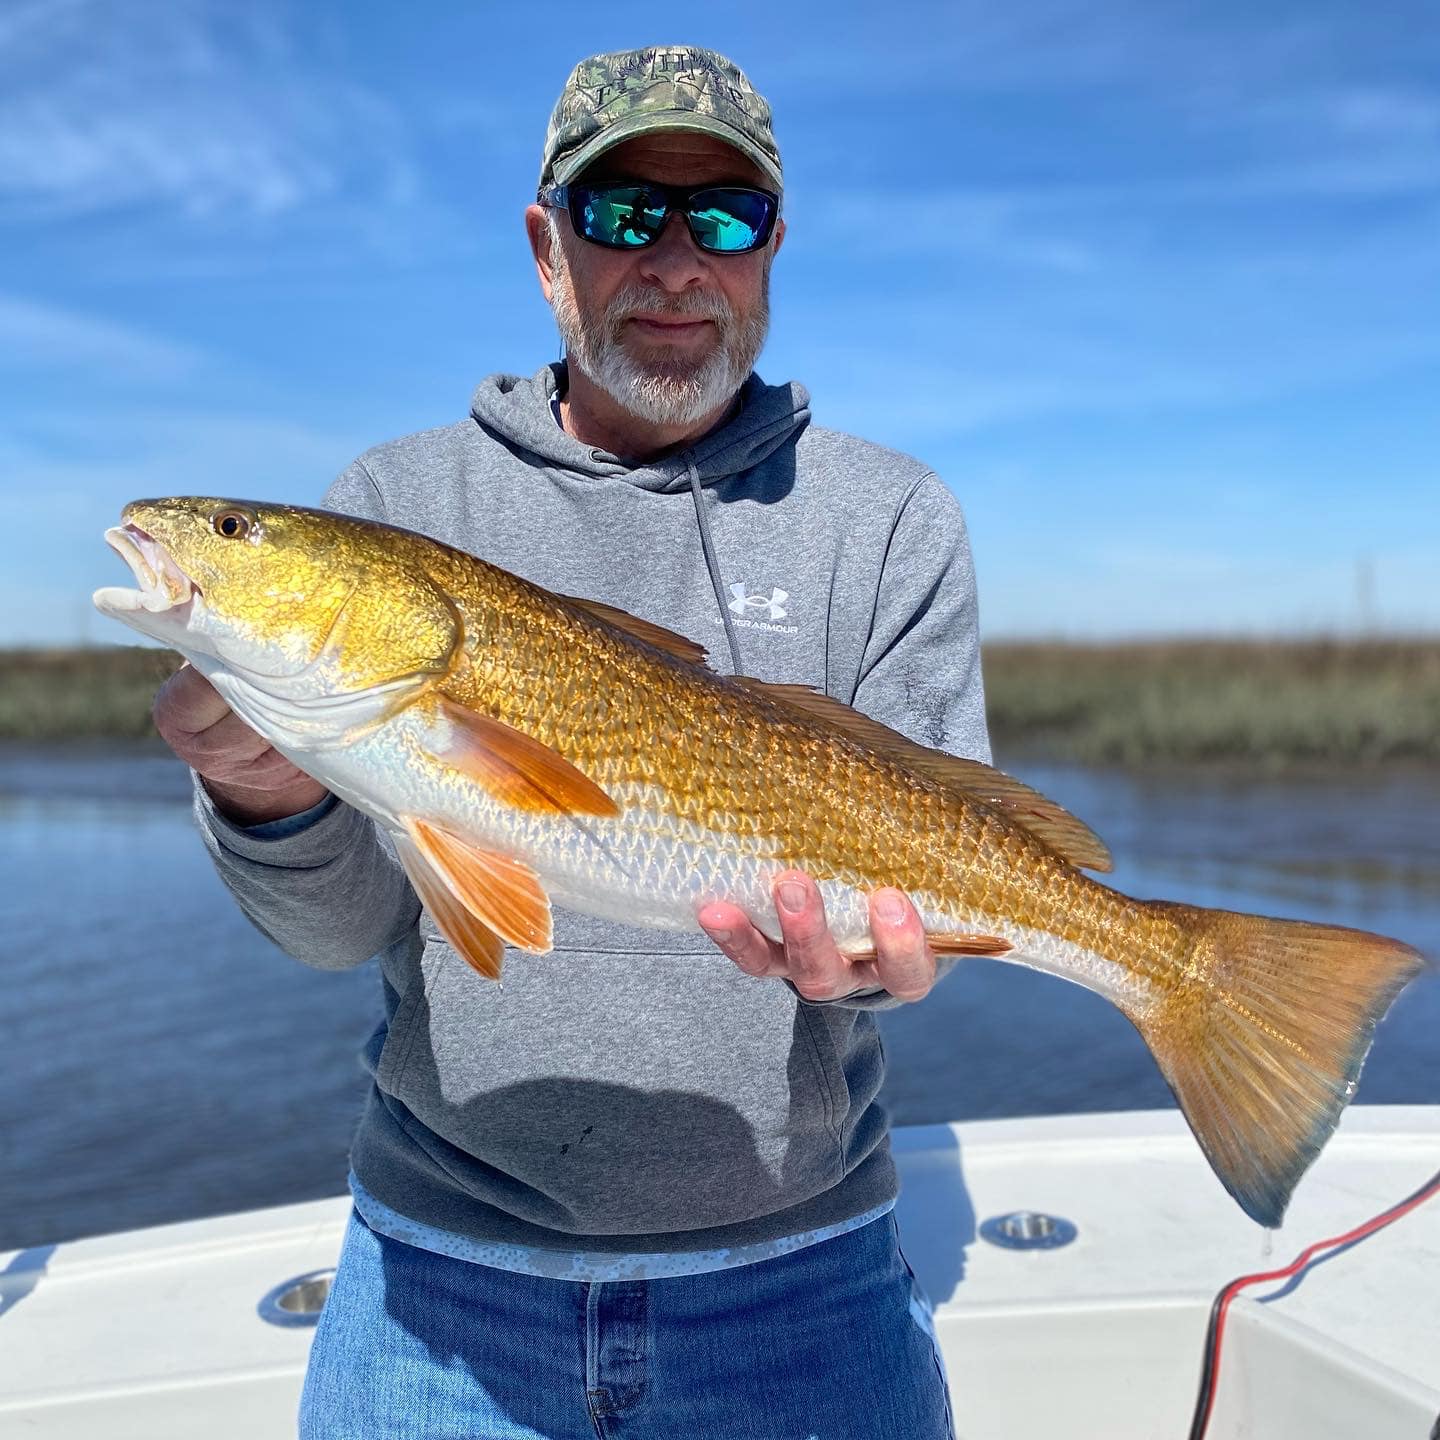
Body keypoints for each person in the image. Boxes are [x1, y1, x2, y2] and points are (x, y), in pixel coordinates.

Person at [155, 45, 987, 1439]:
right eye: (624, 213)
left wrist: (902, 963)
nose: (676, 260)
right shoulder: (396, 502)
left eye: (724, 215)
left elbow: (922, 901)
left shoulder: (890, 518)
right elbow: (341, 931)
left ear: (773, 251)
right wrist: (265, 799)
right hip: (439, 1281)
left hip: (808, 1282)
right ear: (549, 250)